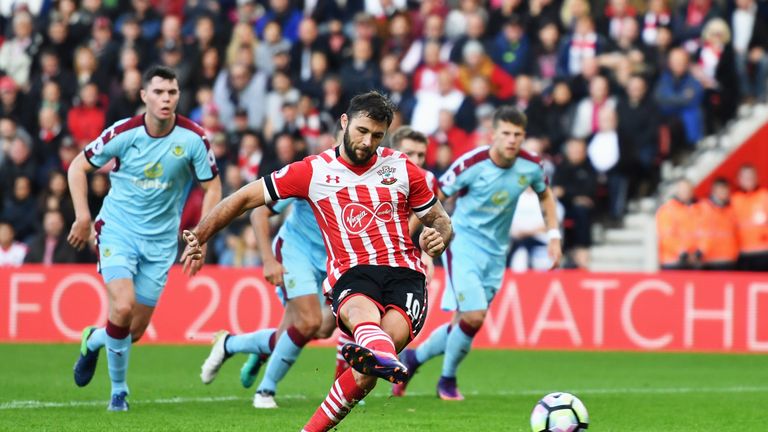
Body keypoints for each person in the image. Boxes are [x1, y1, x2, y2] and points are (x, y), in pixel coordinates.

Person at [180, 91, 452, 432]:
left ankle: (358, 375)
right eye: (362, 131)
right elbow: (245, 198)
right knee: (351, 318)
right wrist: (200, 235)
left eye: (377, 136)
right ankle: (364, 358)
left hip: (407, 276)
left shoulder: (401, 168)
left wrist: (438, 238)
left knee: (367, 371)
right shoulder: (314, 171)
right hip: (353, 273)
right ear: (344, 122)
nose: (367, 142)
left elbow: (440, 220)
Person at [68, 66, 222, 411]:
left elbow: (212, 186)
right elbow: (78, 166)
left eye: (172, 92)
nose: (166, 99)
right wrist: (82, 215)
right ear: (144, 97)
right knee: (122, 306)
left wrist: (202, 235)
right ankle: (119, 393)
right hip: (118, 231)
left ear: (179, 96)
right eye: (158, 92)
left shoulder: (193, 139)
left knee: (132, 331)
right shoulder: (124, 133)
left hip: (161, 243)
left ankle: (93, 341)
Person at [393, 106, 563, 400]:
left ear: (523, 137)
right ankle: (447, 381)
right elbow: (433, 200)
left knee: (465, 322)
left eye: (517, 135)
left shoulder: (531, 166)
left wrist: (554, 235)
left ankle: (414, 359)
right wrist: (411, 241)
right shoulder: (471, 163)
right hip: (462, 245)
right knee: (474, 315)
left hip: (496, 253)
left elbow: (545, 194)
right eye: (506, 133)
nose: (511, 140)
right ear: (492, 134)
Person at [210, 175, 337, 410]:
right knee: (308, 322)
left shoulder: (365, 181)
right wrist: (268, 260)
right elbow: (259, 213)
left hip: (330, 262)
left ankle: (230, 344)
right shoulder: (310, 173)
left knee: (317, 329)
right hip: (295, 252)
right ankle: (265, 390)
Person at [656, 178, 700, 269]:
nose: (686, 193)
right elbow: (667, 236)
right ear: (677, 191)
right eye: (683, 190)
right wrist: (683, 253)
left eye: (688, 190)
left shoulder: (697, 209)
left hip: (693, 261)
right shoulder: (668, 210)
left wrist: (697, 253)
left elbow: (703, 233)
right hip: (673, 261)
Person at [731, 164, 768, 270]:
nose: (749, 180)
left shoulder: (765, 196)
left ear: (757, 178)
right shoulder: (734, 200)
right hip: (743, 254)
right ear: (739, 179)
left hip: (765, 252)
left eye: (751, 177)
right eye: (745, 177)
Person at [697, 178, 739, 270]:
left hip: (729, 258)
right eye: (720, 189)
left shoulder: (732, 209)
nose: (723, 192)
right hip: (709, 259)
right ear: (713, 191)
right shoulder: (703, 208)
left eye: (725, 189)